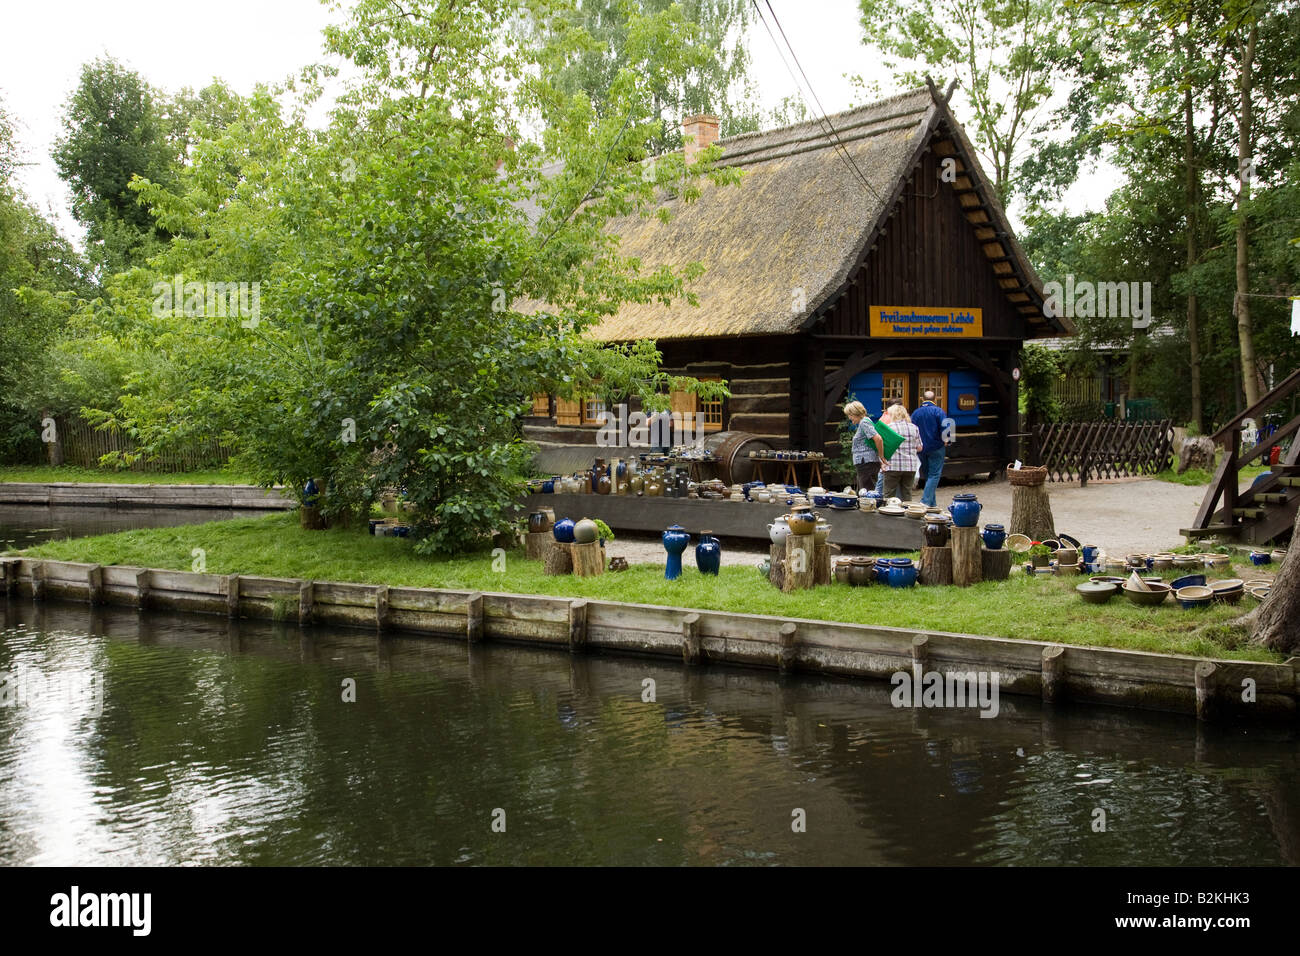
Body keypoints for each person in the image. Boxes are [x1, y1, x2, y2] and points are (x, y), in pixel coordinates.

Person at [911, 390, 947, 507]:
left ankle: (933, 504)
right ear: (935, 399)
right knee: (934, 475)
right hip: (936, 447)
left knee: (928, 475)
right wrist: (947, 440)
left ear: (922, 399)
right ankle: (925, 502)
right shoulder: (939, 411)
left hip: (921, 448)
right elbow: (946, 426)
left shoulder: (916, 413)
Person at [881, 404, 923, 501]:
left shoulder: (889, 428)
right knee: (907, 493)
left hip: (892, 465)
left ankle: (889, 514)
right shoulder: (914, 427)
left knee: (889, 494)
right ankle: (906, 514)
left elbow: (883, 447)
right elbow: (919, 448)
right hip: (910, 466)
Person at [843, 401, 885, 493]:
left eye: (849, 415)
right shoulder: (865, 421)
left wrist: (881, 457)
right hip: (866, 462)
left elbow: (878, 439)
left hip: (866, 462)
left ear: (855, 413)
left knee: (867, 492)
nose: (849, 418)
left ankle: (870, 506)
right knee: (863, 491)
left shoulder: (864, 422)